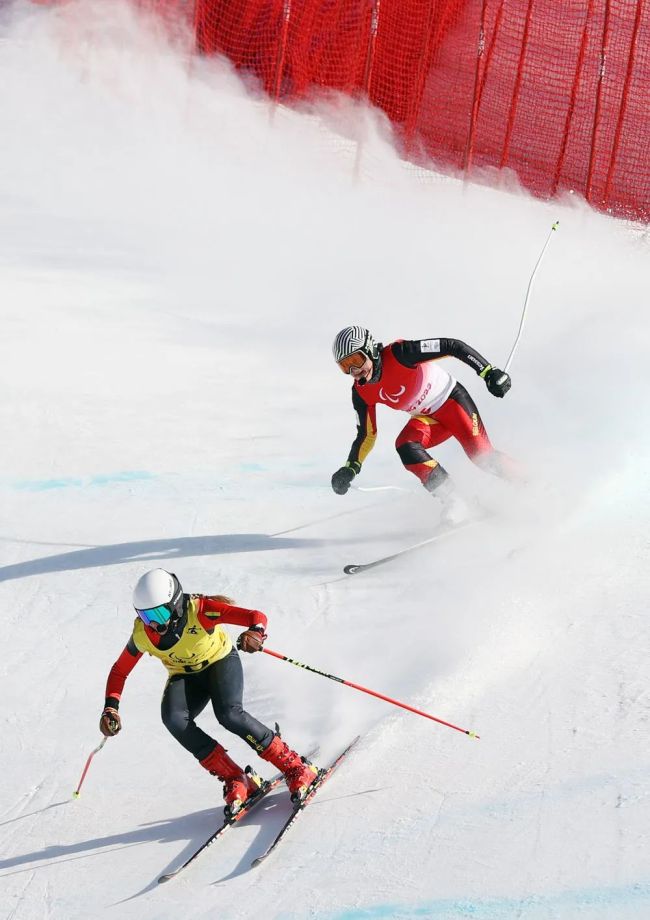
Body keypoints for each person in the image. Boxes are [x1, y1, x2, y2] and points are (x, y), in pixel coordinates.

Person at [99, 568, 317, 814]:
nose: (154, 624)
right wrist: (111, 708)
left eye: (159, 614)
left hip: (220, 663)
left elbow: (256, 616)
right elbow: (119, 671)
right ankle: (236, 778)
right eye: (146, 617)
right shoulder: (142, 634)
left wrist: (255, 633)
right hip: (185, 676)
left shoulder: (200, 610)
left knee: (229, 714)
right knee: (173, 720)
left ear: (175, 604)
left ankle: (294, 767)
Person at [330, 325, 514, 520]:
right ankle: (457, 501)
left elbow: (453, 346)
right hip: (429, 420)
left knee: (482, 458)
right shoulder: (360, 392)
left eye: (356, 361)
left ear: (370, 350)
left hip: (452, 403)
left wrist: (488, 371)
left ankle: (531, 483)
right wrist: (350, 467)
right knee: (405, 446)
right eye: (345, 366)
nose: (354, 371)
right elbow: (366, 435)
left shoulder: (400, 354)